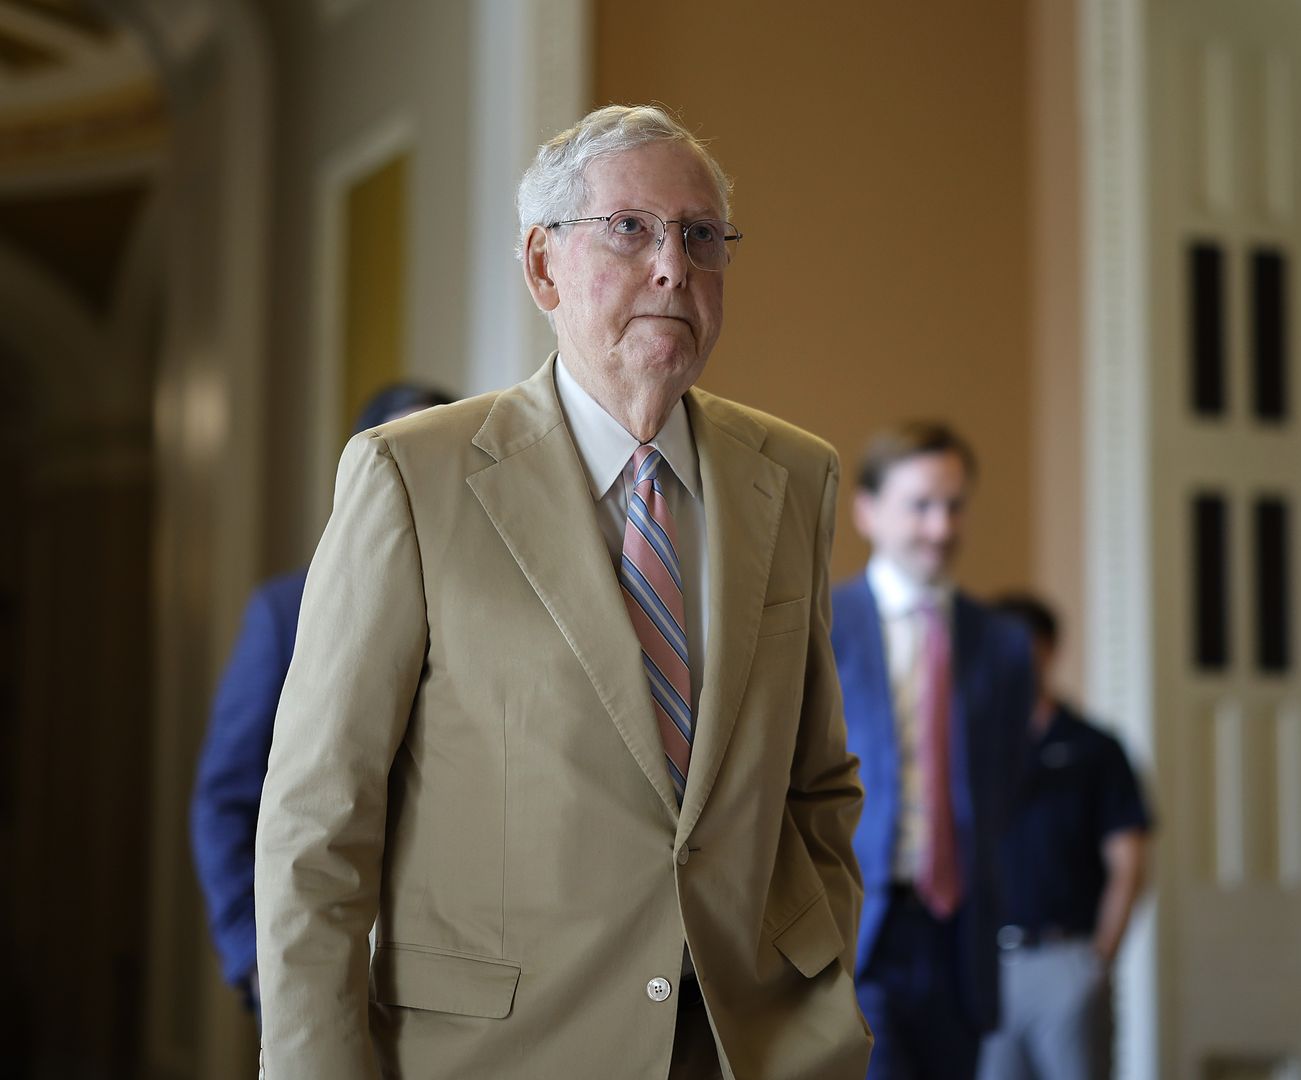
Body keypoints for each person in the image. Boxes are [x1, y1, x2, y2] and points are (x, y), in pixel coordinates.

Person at [254, 104, 867, 1079]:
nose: (675, 266)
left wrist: (812, 970)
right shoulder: (410, 477)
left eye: (703, 237)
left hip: (748, 1048)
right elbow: (316, 827)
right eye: (633, 229)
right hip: (492, 1053)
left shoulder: (792, 475)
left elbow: (817, 784)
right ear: (543, 266)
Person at [189, 383, 452, 1014]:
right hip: (327, 967)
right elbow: (226, 798)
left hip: (462, 979)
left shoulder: (491, 611)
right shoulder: (285, 612)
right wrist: (253, 957)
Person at [831, 422, 1033, 1080]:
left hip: (962, 941)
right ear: (867, 511)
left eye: (954, 505)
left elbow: (1007, 787)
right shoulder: (821, 626)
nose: (941, 528)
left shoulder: (1003, 646)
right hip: (861, 934)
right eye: (920, 505)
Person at [977, 594, 1151, 1080]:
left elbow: (1129, 863)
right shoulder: (972, 751)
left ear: (1048, 650)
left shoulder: (1095, 749)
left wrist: (1098, 962)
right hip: (990, 966)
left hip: (1066, 961)